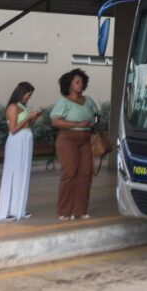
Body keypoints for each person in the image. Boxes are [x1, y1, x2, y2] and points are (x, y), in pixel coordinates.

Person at [51, 68, 99, 220]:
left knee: (86, 173)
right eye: (77, 82)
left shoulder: (89, 101)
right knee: (70, 172)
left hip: (86, 138)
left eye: (82, 82)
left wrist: (93, 122)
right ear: (69, 85)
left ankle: (80, 210)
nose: (80, 84)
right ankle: (65, 211)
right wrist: (76, 123)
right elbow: (54, 121)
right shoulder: (63, 101)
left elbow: (96, 116)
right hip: (68, 139)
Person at [0, 82, 42, 222]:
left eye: (30, 96)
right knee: (13, 173)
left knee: (22, 173)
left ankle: (18, 208)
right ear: (21, 93)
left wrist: (34, 118)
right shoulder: (12, 107)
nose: (28, 98)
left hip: (25, 141)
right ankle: (6, 210)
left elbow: (26, 125)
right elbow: (14, 129)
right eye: (28, 95)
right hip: (17, 142)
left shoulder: (22, 107)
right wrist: (28, 117)